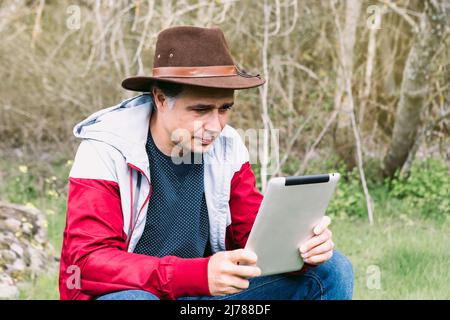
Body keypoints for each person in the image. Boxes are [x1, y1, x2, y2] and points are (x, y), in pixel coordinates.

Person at [59, 25, 353, 300]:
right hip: (141, 291)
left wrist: (299, 247)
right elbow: (87, 262)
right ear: (161, 99)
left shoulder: (228, 146)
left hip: (207, 294)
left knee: (331, 269)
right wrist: (194, 274)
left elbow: (251, 233)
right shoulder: (105, 149)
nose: (215, 125)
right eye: (200, 109)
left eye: (224, 108)